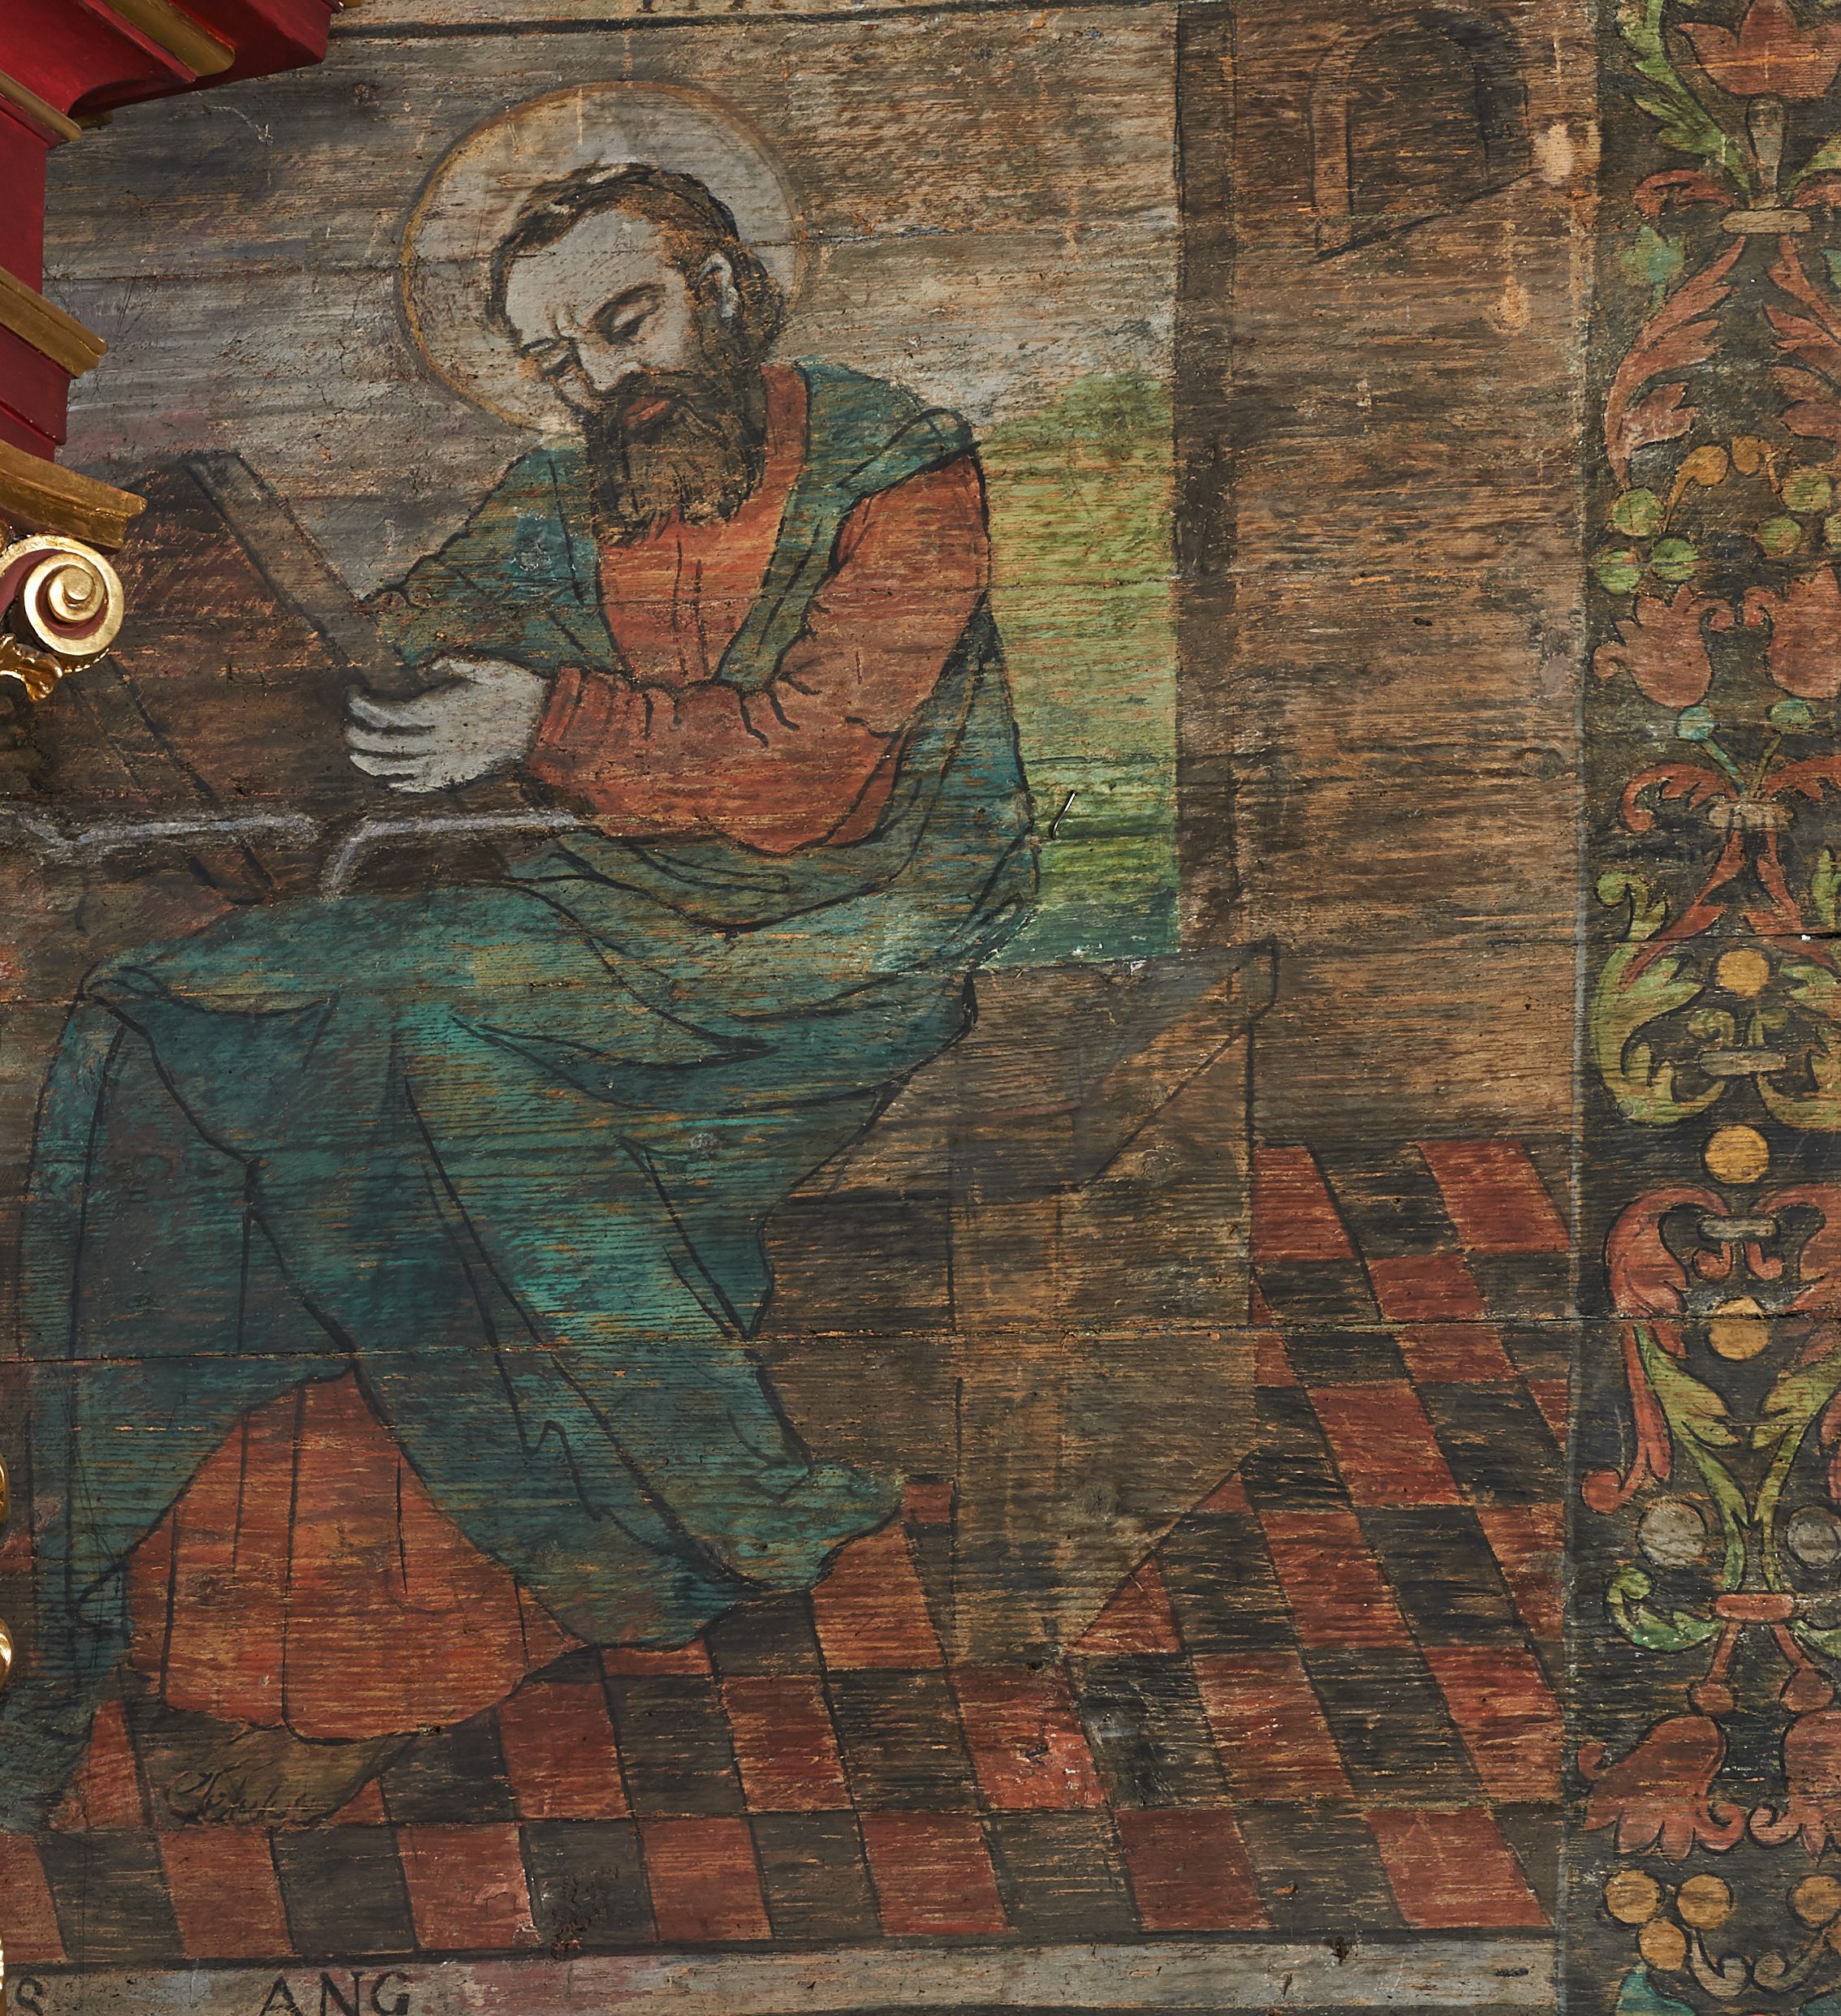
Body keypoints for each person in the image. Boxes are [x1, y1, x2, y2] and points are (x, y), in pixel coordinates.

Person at [0, 163, 1035, 1828]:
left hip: (847, 936)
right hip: (603, 915)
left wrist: (539, 723)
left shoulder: (894, 471)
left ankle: (660, 1529)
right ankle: (142, 1587)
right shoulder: (569, 489)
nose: (601, 379)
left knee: (414, 1044)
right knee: (158, 1013)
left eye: (627, 321)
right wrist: (209, 678)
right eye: (557, 358)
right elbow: (380, 641)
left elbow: (815, 772)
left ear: (727, 287)